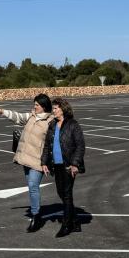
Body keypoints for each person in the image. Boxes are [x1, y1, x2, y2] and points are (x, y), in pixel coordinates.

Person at [0, 94, 53, 232]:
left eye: (37, 105)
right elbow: (17, 116)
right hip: (25, 158)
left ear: (44, 106)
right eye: (34, 104)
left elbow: (52, 142)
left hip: (39, 161)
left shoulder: (50, 121)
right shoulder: (31, 116)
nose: (34, 107)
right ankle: (36, 212)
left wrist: (48, 161)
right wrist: (1, 111)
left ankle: (36, 216)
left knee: (33, 186)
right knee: (31, 187)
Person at [41, 98, 85, 238]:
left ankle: (66, 225)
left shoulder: (73, 125)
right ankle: (75, 221)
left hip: (68, 165)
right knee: (62, 193)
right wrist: (44, 162)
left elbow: (80, 145)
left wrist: (75, 164)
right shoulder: (52, 125)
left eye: (55, 108)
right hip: (56, 165)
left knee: (66, 194)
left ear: (63, 109)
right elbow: (47, 145)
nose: (53, 111)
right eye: (53, 108)